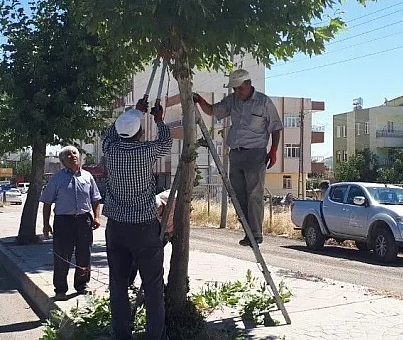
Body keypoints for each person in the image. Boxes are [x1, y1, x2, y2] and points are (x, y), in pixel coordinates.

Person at [102, 99, 172, 340]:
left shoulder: (109, 149)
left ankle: (121, 334)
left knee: (118, 284)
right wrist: (158, 119)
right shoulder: (145, 151)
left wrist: (133, 113)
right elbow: (166, 142)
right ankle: (156, 336)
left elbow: (110, 133)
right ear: (140, 133)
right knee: (153, 286)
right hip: (143, 227)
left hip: (116, 227)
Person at [193, 69, 283, 246]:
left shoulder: (263, 102)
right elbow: (212, 111)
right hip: (236, 153)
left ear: (249, 84)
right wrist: (199, 100)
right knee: (238, 194)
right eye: (234, 89)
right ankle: (248, 231)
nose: (237, 92)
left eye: (240, 89)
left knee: (254, 194)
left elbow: (276, 127)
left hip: (256, 153)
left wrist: (273, 150)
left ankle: (256, 234)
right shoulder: (232, 100)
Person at [40, 145, 102, 301]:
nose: (73, 156)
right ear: (62, 161)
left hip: (83, 221)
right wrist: (46, 224)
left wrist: (97, 217)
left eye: (75, 153)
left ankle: (82, 285)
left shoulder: (88, 177)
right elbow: (47, 202)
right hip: (63, 222)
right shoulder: (57, 178)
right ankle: (60, 289)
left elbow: (96, 199)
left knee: (84, 255)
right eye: (68, 155)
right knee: (62, 256)